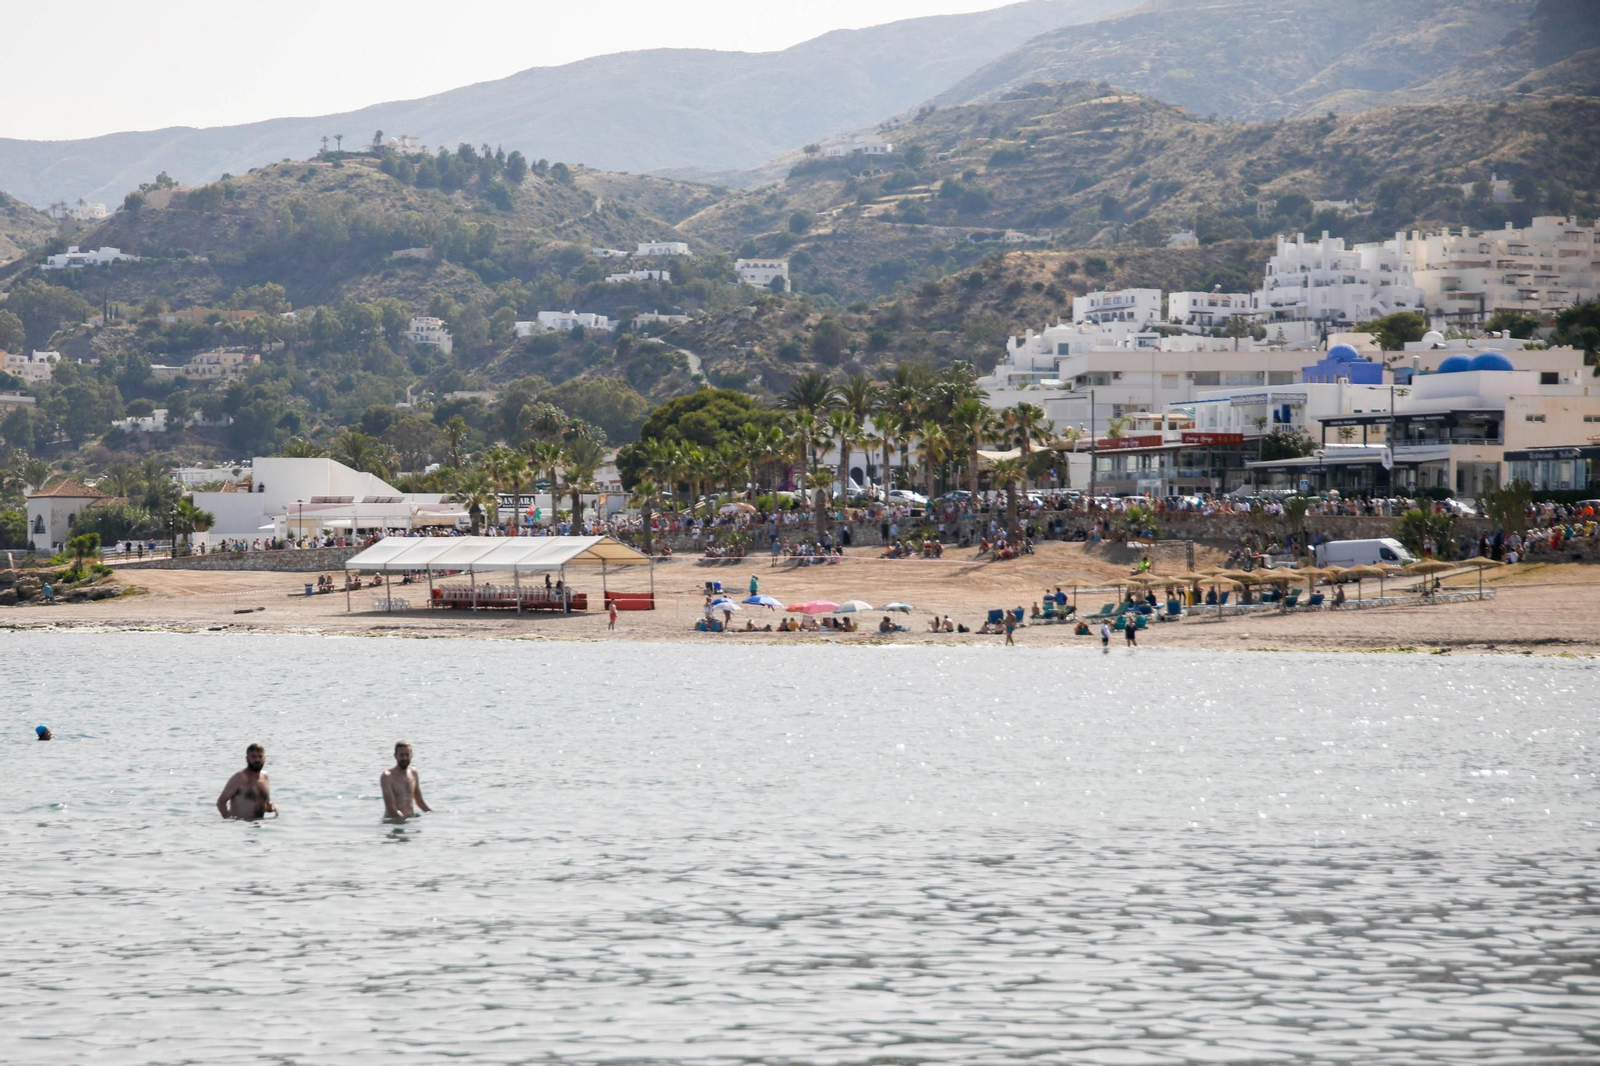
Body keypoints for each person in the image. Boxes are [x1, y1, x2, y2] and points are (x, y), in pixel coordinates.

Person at [217, 743, 276, 820]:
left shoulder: (265, 777)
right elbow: (221, 802)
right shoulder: (239, 778)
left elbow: (266, 803)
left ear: (264, 758)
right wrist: (229, 821)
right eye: (253, 757)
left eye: (260, 756)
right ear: (247, 759)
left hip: (261, 826)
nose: (257, 760)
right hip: (241, 827)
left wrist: (272, 807)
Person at [380, 741, 432, 820]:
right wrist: (404, 822)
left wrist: (435, 815)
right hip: (393, 822)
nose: (404, 758)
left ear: (411, 756)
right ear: (395, 756)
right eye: (401, 755)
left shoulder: (413, 773)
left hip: (409, 820)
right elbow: (391, 808)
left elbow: (420, 802)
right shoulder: (387, 776)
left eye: (407, 755)